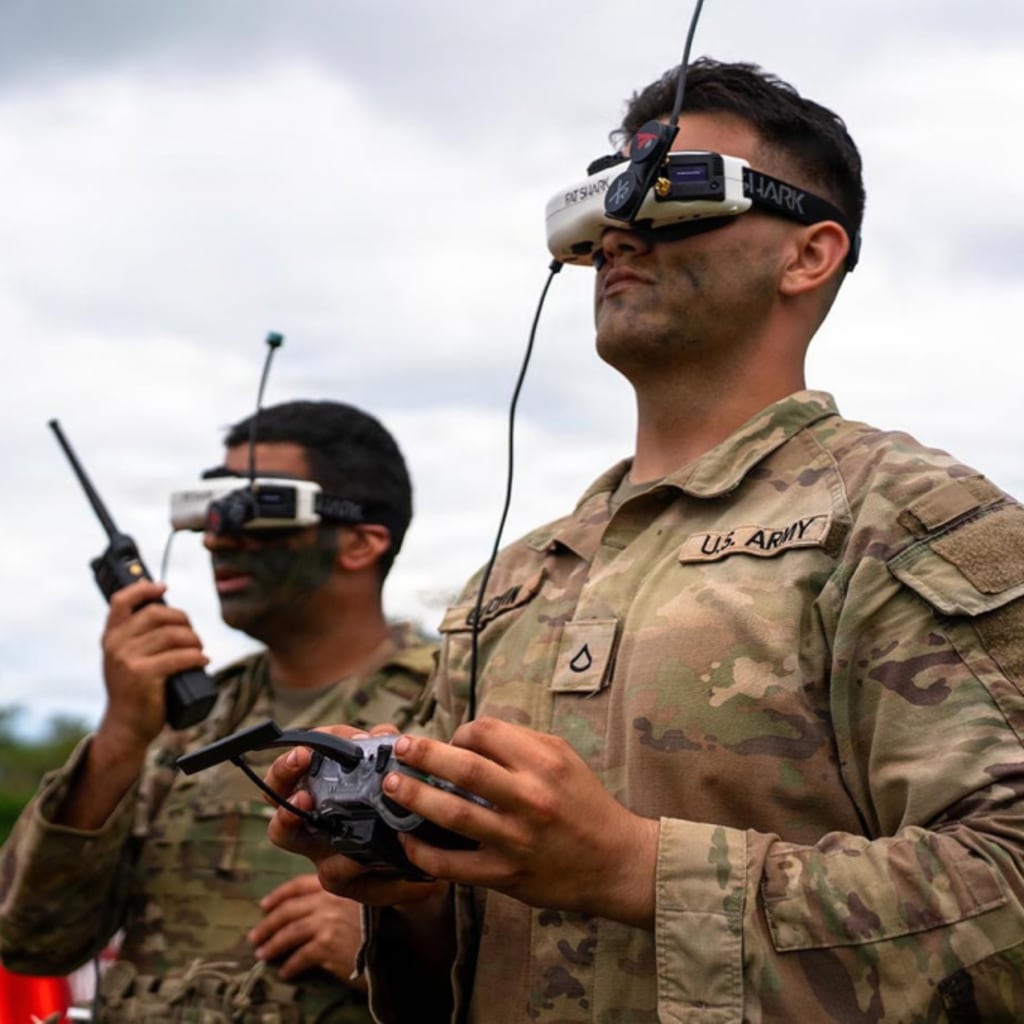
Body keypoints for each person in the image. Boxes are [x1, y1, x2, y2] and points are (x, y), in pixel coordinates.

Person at [263, 59, 1024, 1022]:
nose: (620, 230)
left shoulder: (907, 519)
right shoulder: (517, 581)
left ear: (809, 254)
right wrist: (412, 885)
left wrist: (632, 867)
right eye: (604, 206)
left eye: (675, 193)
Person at [0, 400, 438, 1023]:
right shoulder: (191, 722)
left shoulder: (456, 702)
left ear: (360, 542)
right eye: (213, 509)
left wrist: (391, 943)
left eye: (255, 510)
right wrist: (120, 737)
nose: (215, 536)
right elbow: (33, 941)